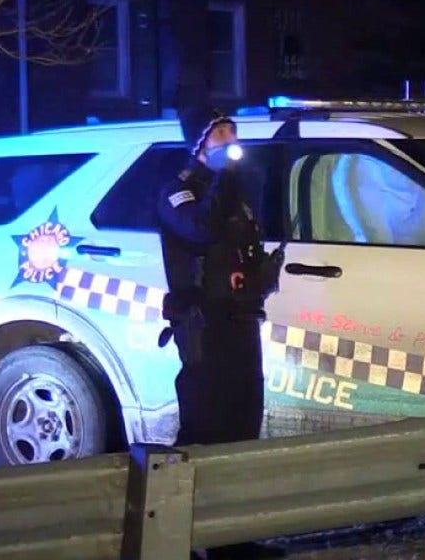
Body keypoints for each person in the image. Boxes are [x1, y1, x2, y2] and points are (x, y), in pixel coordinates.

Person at [156, 106, 286, 560]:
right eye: (220, 135)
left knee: (243, 427)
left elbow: (239, 248)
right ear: (198, 144)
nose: (231, 141)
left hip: (242, 323)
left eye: (233, 132)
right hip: (205, 329)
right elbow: (201, 230)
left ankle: (236, 541)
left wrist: (261, 274)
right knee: (205, 431)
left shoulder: (236, 194)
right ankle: (183, 539)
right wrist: (223, 180)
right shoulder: (179, 193)